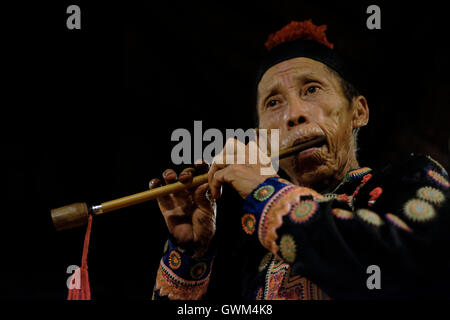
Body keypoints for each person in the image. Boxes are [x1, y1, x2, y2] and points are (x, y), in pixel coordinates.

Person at [150, 20, 450, 300]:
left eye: (312, 90)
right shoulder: (249, 249)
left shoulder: (411, 177)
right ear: (260, 140)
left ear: (358, 112)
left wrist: (267, 192)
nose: (294, 115)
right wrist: (192, 254)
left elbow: (423, 269)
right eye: (274, 103)